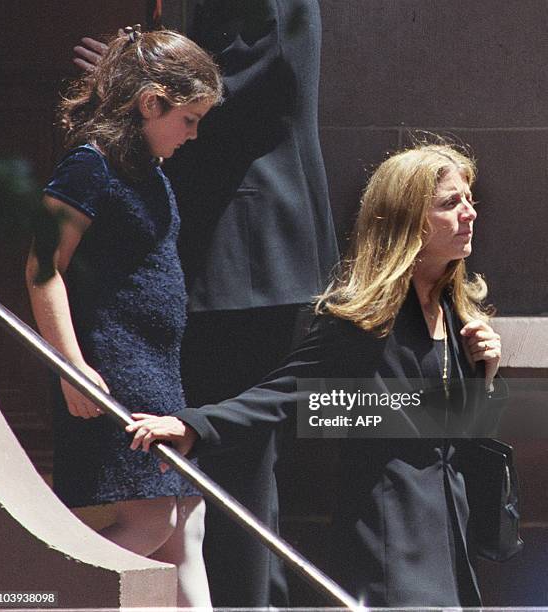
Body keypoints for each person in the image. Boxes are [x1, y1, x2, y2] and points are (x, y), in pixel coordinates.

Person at [126, 143, 507, 607]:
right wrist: (193, 426)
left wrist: (484, 376)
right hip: (393, 531)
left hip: (450, 528)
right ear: (409, 219)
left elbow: (461, 427)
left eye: (469, 200)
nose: (469, 213)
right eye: (450, 203)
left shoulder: (455, 311)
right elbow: (284, 394)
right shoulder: (366, 318)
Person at [74, 1, 339, 606]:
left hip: (239, 255)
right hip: (235, 260)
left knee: (230, 465)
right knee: (205, 473)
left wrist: (123, 80)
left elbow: (233, 94)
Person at [25, 26, 222, 607]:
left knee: (188, 522)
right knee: (153, 520)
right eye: (187, 118)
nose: (193, 133)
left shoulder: (150, 170)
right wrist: (71, 365)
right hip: (112, 367)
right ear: (150, 101)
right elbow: (43, 266)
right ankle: (28, 588)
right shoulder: (90, 165)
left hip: (159, 370)